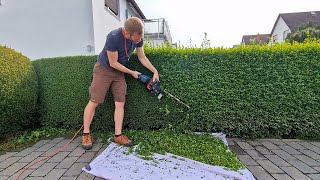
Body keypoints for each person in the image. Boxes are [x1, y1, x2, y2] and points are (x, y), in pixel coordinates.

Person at [82, 17, 159, 150]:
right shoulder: (113, 37)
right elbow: (113, 63)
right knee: (94, 100)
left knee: (120, 103)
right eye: (137, 37)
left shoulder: (138, 38)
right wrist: (132, 73)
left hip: (119, 72)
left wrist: (155, 71)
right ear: (128, 33)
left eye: (141, 36)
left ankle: (118, 136)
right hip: (104, 69)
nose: (140, 40)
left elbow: (142, 57)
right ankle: (86, 134)